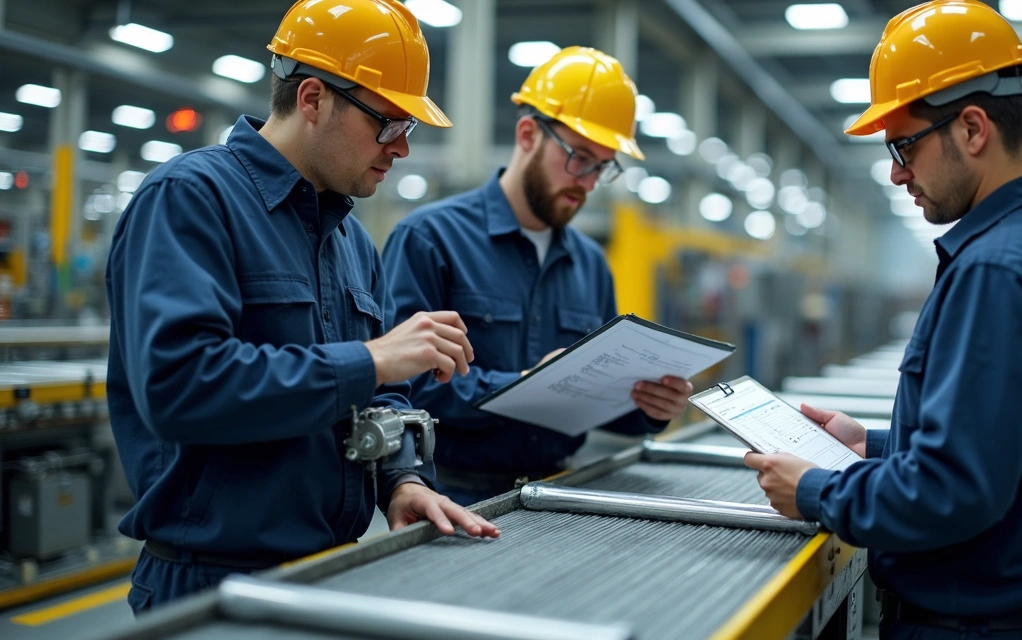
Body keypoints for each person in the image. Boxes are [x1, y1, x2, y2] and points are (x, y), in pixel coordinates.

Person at [743, 2, 1022, 638]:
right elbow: (1007, 445)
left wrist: (814, 491)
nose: (897, 173)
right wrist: (873, 446)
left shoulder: (998, 269)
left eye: (904, 145)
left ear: (972, 129)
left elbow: (953, 491)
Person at [107, 0, 498, 613]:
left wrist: (400, 481)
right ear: (313, 98)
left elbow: (382, 397)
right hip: (211, 581)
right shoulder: (190, 198)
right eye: (388, 124)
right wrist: (371, 359)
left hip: (332, 570)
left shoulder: (351, 241)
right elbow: (180, 385)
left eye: (408, 128)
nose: (400, 148)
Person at [382, 47, 694, 506]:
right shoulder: (430, 239)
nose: (588, 182)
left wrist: (650, 407)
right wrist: (526, 384)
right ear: (527, 134)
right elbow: (402, 386)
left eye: (603, 166)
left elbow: (598, 400)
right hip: (455, 496)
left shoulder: (590, 263)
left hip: (561, 494)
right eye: (580, 158)